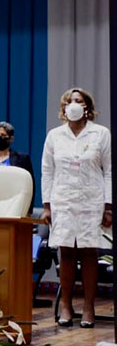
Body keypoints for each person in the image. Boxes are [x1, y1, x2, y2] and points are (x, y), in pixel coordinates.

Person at [42, 87, 111, 328]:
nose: (74, 104)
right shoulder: (54, 136)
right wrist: (47, 206)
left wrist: (108, 206)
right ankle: (65, 305)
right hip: (62, 199)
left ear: (87, 107)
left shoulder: (101, 134)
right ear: (63, 108)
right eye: (70, 100)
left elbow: (109, 170)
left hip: (92, 199)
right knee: (67, 253)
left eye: (79, 100)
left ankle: (89, 307)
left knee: (89, 253)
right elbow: (47, 170)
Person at [0, 121, 35, 213]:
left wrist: (28, 211)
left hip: (13, 205)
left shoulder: (22, 159)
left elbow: (30, 186)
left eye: (3, 135)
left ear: (11, 139)